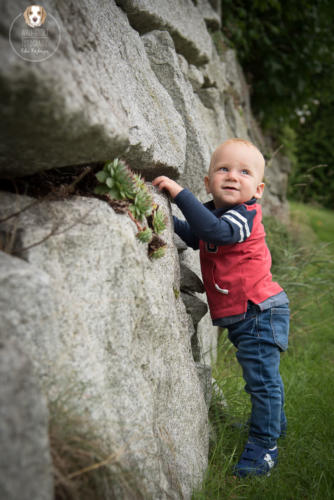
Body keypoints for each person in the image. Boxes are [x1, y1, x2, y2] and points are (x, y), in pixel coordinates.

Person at [152, 138, 290, 478]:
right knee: (262, 378)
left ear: (257, 189)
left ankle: (264, 445)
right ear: (208, 181)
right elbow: (198, 235)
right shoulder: (215, 212)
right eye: (223, 169)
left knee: (261, 381)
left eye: (244, 172)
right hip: (246, 315)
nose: (232, 176)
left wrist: (179, 195)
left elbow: (217, 233)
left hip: (259, 312)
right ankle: (274, 424)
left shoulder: (245, 216)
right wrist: (160, 216)